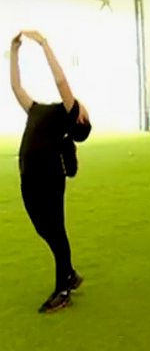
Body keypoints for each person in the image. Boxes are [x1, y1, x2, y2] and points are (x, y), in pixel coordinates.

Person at [10, 31, 92, 313]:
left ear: (79, 120)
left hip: (49, 180)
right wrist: (14, 51)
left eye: (84, 115)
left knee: (56, 232)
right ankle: (69, 272)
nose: (83, 109)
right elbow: (16, 87)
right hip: (28, 178)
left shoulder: (68, 116)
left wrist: (44, 45)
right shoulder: (37, 110)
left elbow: (60, 81)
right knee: (42, 228)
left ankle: (63, 289)